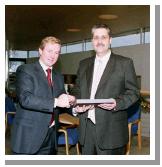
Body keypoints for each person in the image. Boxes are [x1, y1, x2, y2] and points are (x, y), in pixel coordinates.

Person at [73, 24, 140, 155]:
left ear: (110, 40)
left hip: (111, 131)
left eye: (103, 37)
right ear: (92, 41)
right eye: (96, 37)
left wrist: (117, 103)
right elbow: (77, 89)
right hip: (86, 130)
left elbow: (133, 92)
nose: (99, 41)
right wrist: (77, 104)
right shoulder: (83, 64)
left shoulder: (124, 63)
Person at [11, 36, 75, 155]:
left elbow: (62, 101)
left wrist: (75, 107)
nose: (53, 55)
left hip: (51, 137)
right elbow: (26, 99)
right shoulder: (25, 70)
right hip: (28, 138)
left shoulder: (58, 76)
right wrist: (56, 102)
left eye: (56, 52)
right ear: (40, 51)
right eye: (49, 51)